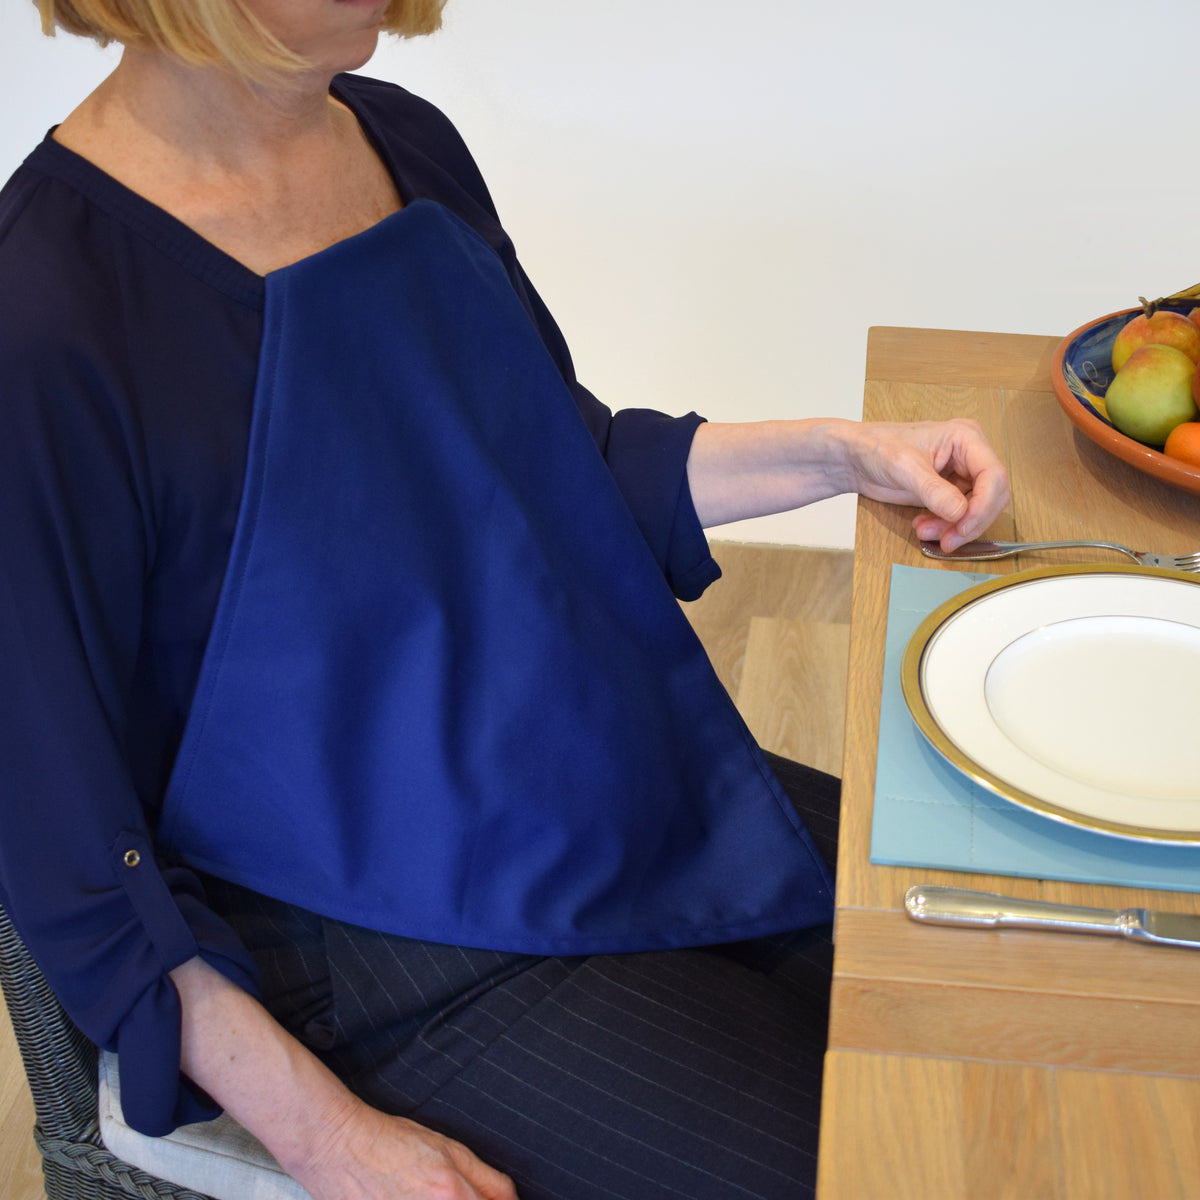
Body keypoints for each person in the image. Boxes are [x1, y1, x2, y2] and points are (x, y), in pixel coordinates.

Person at [0, 2, 1009, 1198]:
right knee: (897, 1168)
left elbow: (555, 472)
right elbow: (63, 839)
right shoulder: (44, 315)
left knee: (1022, 986)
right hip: (371, 927)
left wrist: (846, 454)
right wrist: (328, 1137)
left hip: (586, 776)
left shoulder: (404, 143)